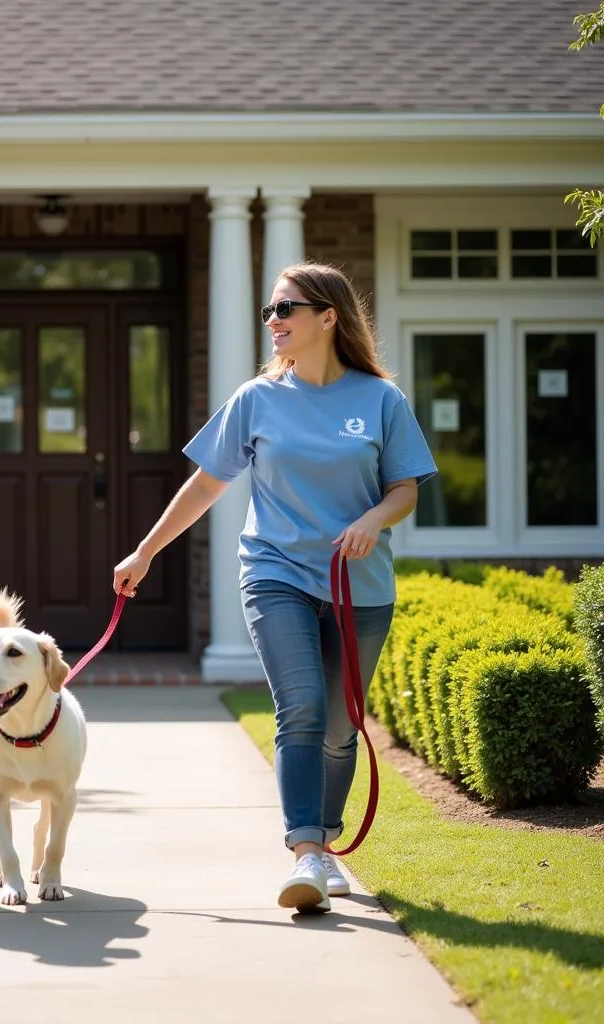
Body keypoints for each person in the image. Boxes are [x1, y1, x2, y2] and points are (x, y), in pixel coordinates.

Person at [113, 262, 437, 914]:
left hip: (360, 589)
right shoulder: (257, 400)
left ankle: (326, 842)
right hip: (275, 574)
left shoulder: (380, 400)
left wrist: (374, 517)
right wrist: (146, 550)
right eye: (270, 311)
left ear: (328, 317)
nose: (274, 321)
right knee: (301, 709)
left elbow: (406, 486)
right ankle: (307, 853)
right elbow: (206, 484)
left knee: (342, 729)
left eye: (287, 309)